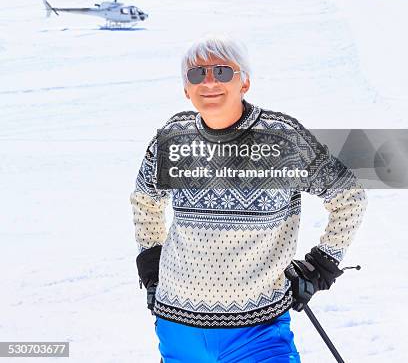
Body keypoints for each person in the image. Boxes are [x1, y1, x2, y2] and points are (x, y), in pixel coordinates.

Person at [130, 36, 367, 362]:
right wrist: (151, 266)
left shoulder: (281, 138)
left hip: (258, 330)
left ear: (245, 82)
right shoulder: (173, 137)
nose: (209, 82)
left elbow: (349, 196)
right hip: (177, 328)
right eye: (197, 74)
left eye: (222, 71)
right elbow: (146, 202)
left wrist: (321, 266)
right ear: (186, 89)